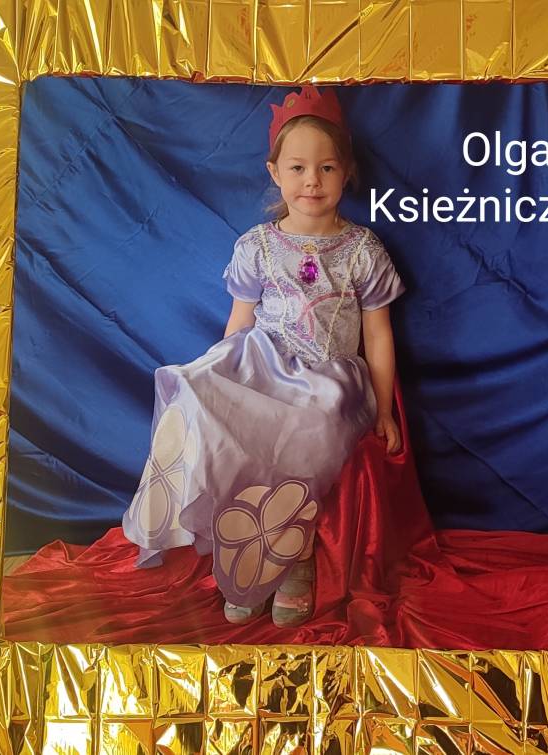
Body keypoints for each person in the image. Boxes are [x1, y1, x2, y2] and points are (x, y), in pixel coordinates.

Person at [122, 85, 405, 628]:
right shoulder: (257, 245)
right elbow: (239, 323)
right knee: (197, 389)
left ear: (346, 172)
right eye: (297, 168)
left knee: (315, 425)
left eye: (326, 168)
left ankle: (291, 554)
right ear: (275, 172)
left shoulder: (363, 251)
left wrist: (384, 408)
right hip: (262, 359)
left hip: (328, 375)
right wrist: (222, 372)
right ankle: (240, 547)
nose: (312, 181)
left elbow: (378, 335)